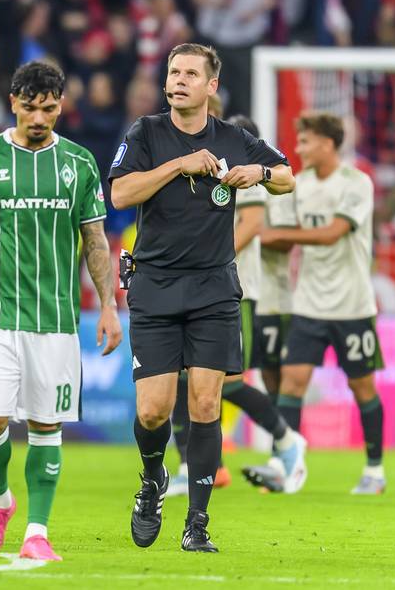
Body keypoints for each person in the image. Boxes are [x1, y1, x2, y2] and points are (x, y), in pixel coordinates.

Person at [109, 43, 295, 553]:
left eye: (191, 73)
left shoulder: (235, 139)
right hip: (156, 287)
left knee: (208, 402)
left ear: (211, 86)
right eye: (173, 72)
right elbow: (120, 195)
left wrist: (258, 173)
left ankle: (197, 524)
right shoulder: (145, 133)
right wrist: (179, 165)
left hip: (214, 289)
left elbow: (287, 176)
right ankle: (152, 483)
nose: (179, 80)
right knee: (153, 411)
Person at [0, 61, 122, 561]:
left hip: (56, 320)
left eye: (50, 107)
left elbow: (95, 241)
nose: (40, 117)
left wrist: (109, 305)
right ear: (13, 102)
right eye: (31, 107)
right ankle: (0, 503)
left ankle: (37, 532)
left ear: (61, 105)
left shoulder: (79, 163)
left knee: (45, 426)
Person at [168, 115, 306, 497]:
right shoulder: (208, 169)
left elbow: (253, 224)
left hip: (235, 291)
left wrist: (202, 254)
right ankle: (196, 465)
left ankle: (285, 439)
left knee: (225, 382)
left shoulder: (252, 176)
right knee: (181, 379)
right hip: (194, 289)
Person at [250, 111, 385, 495]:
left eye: (306, 141)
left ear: (327, 143)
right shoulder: (300, 183)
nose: (300, 148)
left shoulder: (357, 183)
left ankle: (374, 470)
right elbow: (284, 237)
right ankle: (286, 466)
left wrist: (263, 231)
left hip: (353, 305)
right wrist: (252, 230)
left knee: (363, 387)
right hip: (307, 302)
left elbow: (332, 234)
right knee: (292, 382)